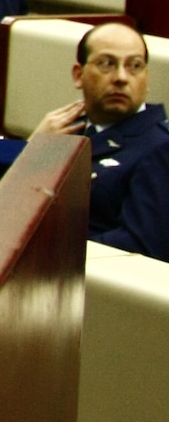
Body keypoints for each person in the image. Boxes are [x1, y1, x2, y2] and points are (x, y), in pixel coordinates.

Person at [32, 22, 168, 260]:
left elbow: (138, 246)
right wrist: (32, 151)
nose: (121, 78)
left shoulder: (159, 148)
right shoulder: (66, 130)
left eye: (134, 66)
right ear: (78, 75)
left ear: (146, 78)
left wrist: (46, 252)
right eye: (107, 64)